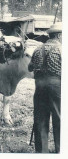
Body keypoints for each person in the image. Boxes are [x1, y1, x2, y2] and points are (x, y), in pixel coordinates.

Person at [28, 22, 62, 153]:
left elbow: (29, 67)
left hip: (40, 86)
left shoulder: (37, 49)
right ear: (59, 36)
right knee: (59, 117)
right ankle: (61, 150)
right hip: (57, 86)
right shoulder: (62, 49)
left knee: (40, 119)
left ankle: (42, 152)